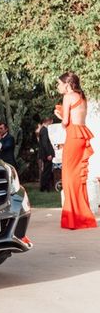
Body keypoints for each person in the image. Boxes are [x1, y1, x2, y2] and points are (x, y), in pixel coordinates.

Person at [54, 72, 96, 229]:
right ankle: (82, 216)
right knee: (78, 177)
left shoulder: (68, 96)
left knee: (69, 176)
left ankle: (73, 217)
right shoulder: (81, 96)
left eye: (59, 83)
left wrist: (60, 116)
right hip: (81, 135)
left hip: (73, 135)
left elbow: (65, 122)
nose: (58, 86)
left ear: (67, 84)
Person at [38, 117, 56, 192]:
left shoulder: (43, 130)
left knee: (46, 170)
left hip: (45, 153)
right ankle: (45, 187)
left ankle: (45, 186)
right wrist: (49, 154)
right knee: (46, 171)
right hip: (46, 154)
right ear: (48, 121)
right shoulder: (44, 130)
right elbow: (45, 143)